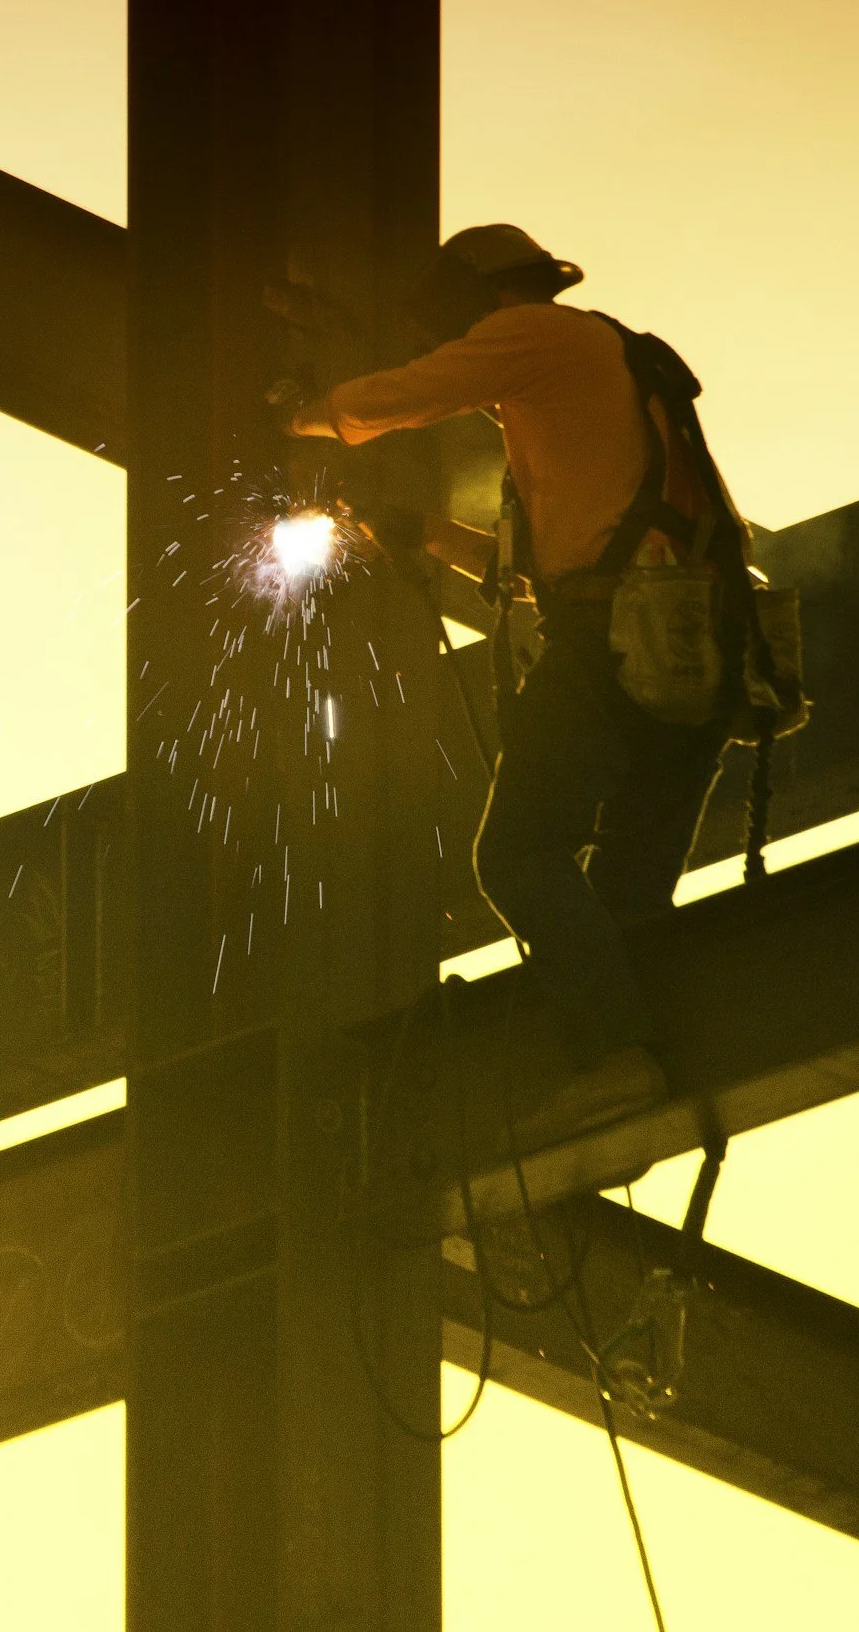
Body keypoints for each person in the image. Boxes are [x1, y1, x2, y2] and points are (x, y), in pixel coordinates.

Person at [285, 223, 738, 1135]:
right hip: (693, 646)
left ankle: (615, 1051)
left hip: (613, 640)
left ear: (483, 300)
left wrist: (297, 413)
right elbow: (540, 569)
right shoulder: (599, 379)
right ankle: (634, 1066)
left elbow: (404, 397)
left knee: (517, 855)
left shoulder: (534, 333)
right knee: (626, 894)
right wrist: (421, 534)